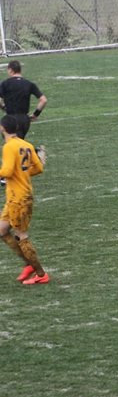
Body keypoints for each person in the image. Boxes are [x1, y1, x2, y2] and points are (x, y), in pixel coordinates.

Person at [0, 114, 48, 285]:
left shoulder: (9, 147)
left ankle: (41, 274)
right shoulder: (26, 145)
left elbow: (6, 171)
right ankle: (29, 263)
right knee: (2, 231)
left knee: (21, 235)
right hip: (15, 197)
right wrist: (22, 173)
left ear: (3, 128)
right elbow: (38, 168)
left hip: (19, 199)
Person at [0, 60, 48, 141]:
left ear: (10, 70)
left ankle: (37, 152)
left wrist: (4, 107)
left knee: (12, 144)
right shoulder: (29, 84)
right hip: (24, 119)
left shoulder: (5, 84)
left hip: (10, 119)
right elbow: (43, 100)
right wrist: (35, 114)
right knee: (20, 143)